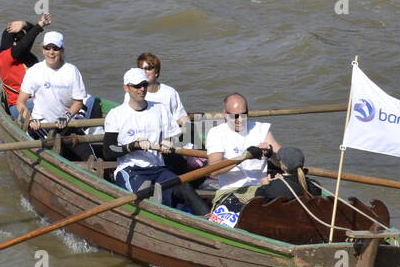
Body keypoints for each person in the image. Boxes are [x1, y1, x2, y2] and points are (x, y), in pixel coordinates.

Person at [102, 69, 208, 214]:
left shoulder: (160, 109)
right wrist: (134, 146)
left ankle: (212, 222)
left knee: (185, 188)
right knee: (144, 199)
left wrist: (171, 142)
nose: (142, 89)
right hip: (131, 169)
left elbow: (180, 137)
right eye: (137, 86)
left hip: (158, 168)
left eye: (144, 85)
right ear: (126, 88)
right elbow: (108, 151)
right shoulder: (116, 114)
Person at [205, 94, 280, 205]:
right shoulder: (216, 133)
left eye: (243, 114)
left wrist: (271, 153)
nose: (239, 120)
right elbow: (213, 170)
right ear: (225, 114)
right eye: (235, 116)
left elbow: (283, 162)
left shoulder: (261, 129)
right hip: (232, 191)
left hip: (261, 188)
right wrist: (245, 156)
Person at [15, 31, 87, 141]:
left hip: (65, 123)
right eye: (47, 48)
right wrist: (30, 119)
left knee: (89, 154)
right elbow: (20, 102)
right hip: (40, 125)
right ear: (42, 50)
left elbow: (78, 102)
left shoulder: (72, 71)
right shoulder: (34, 71)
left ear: (62, 50)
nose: (51, 52)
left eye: (55, 48)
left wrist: (67, 116)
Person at [0, 12, 52, 116]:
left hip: (38, 99)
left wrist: (24, 24)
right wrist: (40, 24)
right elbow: (24, 44)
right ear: (12, 42)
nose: (22, 41)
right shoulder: (4, 57)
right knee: (51, 102)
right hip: (19, 106)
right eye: (18, 39)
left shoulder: (25, 56)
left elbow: (30, 36)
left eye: (23, 37)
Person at [253, 146, 323, 202]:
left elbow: (257, 201)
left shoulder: (271, 188)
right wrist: (279, 182)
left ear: (282, 166)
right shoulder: (315, 186)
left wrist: (265, 185)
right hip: (302, 219)